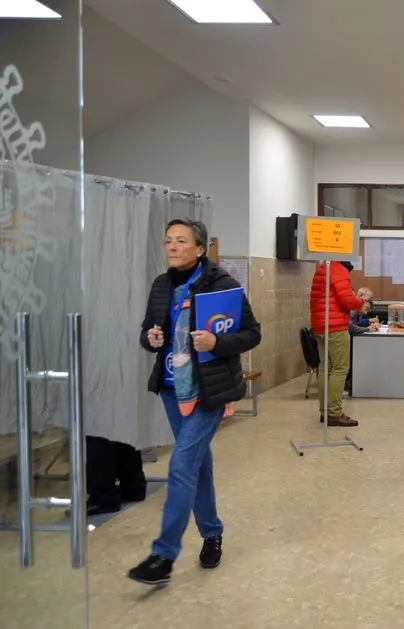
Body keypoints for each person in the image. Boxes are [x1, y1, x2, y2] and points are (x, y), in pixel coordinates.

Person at [129, 218, 261, 585]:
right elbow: (148, 331)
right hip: (172, 388)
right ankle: (212, 532)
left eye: (181, 241)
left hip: (208, 391)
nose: (172, 247)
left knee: (182, 464)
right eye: (168, 240)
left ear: (200, 249)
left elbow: (252, 333)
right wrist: (152, 338)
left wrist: (217, 343)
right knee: (198, 463)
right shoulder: (161, 285)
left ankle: (163, 555)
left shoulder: (223, 286)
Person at [310, 259, 368, 427]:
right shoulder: (338, 269)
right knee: (340, 368)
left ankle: (325, 411)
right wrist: (361, 302)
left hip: (320, 325)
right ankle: (334, 413)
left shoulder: (323, 267)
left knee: (325, 368)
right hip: (335, 326)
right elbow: (347, 299)